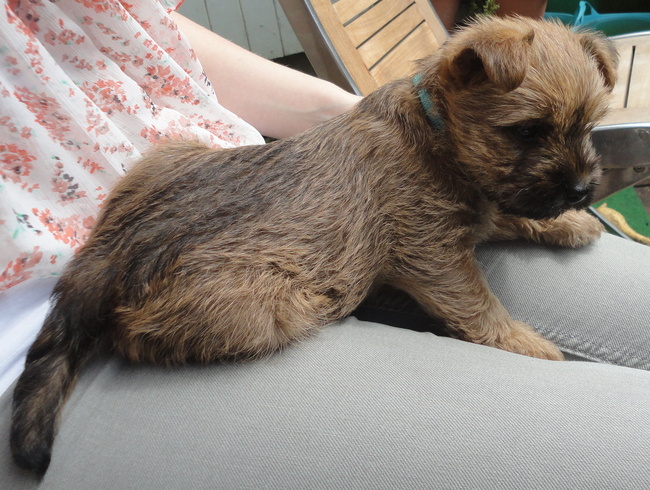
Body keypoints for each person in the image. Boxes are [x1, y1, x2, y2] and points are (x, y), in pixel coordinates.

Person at [1, 1, 650, 487]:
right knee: (623, 443)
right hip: (179, 289)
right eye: (528, 134)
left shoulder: (419, 125)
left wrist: (532, 218)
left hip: (205, 187)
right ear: (463, 80)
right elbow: (432, 250)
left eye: (581, 132)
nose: (578, 172)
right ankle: (119, 338)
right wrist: (500, 333)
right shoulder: (435, 136)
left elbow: (136, 25)